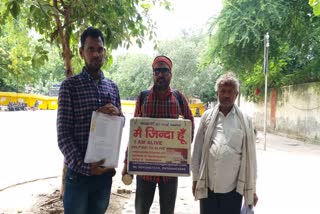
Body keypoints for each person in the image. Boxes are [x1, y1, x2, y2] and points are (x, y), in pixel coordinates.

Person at [57, 27, 123, 214]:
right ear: (81, 52)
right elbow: (63, 136)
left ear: (104, 51)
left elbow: (120, 125)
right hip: (78, 176)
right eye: (91, 49)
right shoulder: (70, 86)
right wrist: (86, 167)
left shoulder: (112, 87)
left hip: (104, 176)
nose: (96, 54)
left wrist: (117, 115)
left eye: (100, 49)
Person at [122, 55, 194, 214]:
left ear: (171, 74)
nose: (160, 74)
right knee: (141, 210)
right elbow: (135, 133)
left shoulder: (178, 97)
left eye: (164, 70)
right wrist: (127, 162)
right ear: (153, 74)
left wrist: (183, 147)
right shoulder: (143, 97)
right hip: (145, 169)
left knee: (167, 211)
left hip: (170, 171)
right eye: (157, 71)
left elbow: (190, 122)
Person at [191, 72, 258, 214]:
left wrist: (253, 189)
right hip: (208, 187)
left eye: (230, 91)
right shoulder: (207, 117)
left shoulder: (245, 121)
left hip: (233, 190)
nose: (226, 95)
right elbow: (197, 150)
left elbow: (251, 158)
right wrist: (195, 179)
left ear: (236, 94)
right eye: (223, 91)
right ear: (217, 93)